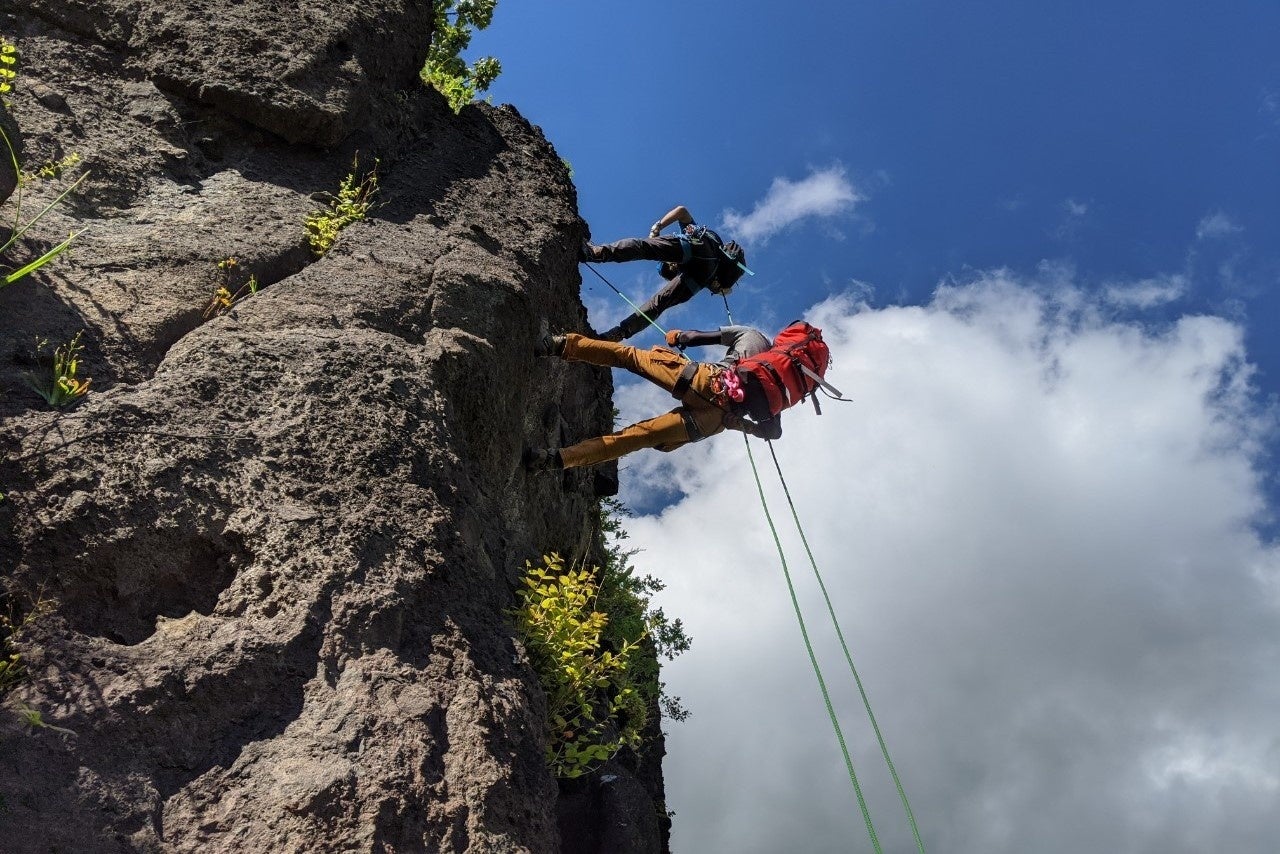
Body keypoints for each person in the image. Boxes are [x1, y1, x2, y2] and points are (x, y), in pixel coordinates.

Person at [524, 325, 781, 472]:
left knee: (629, 356)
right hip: (714, 421)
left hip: (706, 381)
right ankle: (551, 460)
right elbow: (773, 432)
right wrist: (740, 424)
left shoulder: (752, 335)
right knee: (637, 437)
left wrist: (677, 337)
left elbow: (693, 338)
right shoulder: (779, 382)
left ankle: (558, 345)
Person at [580, 205, 749, 342]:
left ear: (673, 265)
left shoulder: (691, 254)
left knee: (643, 247)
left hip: (698, 248)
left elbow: (681, 210)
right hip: (703, 273)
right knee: (657, 304)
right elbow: (682, 212)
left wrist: (657, 227)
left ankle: (595, 252)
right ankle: (620, 333)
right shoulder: (698, 275)